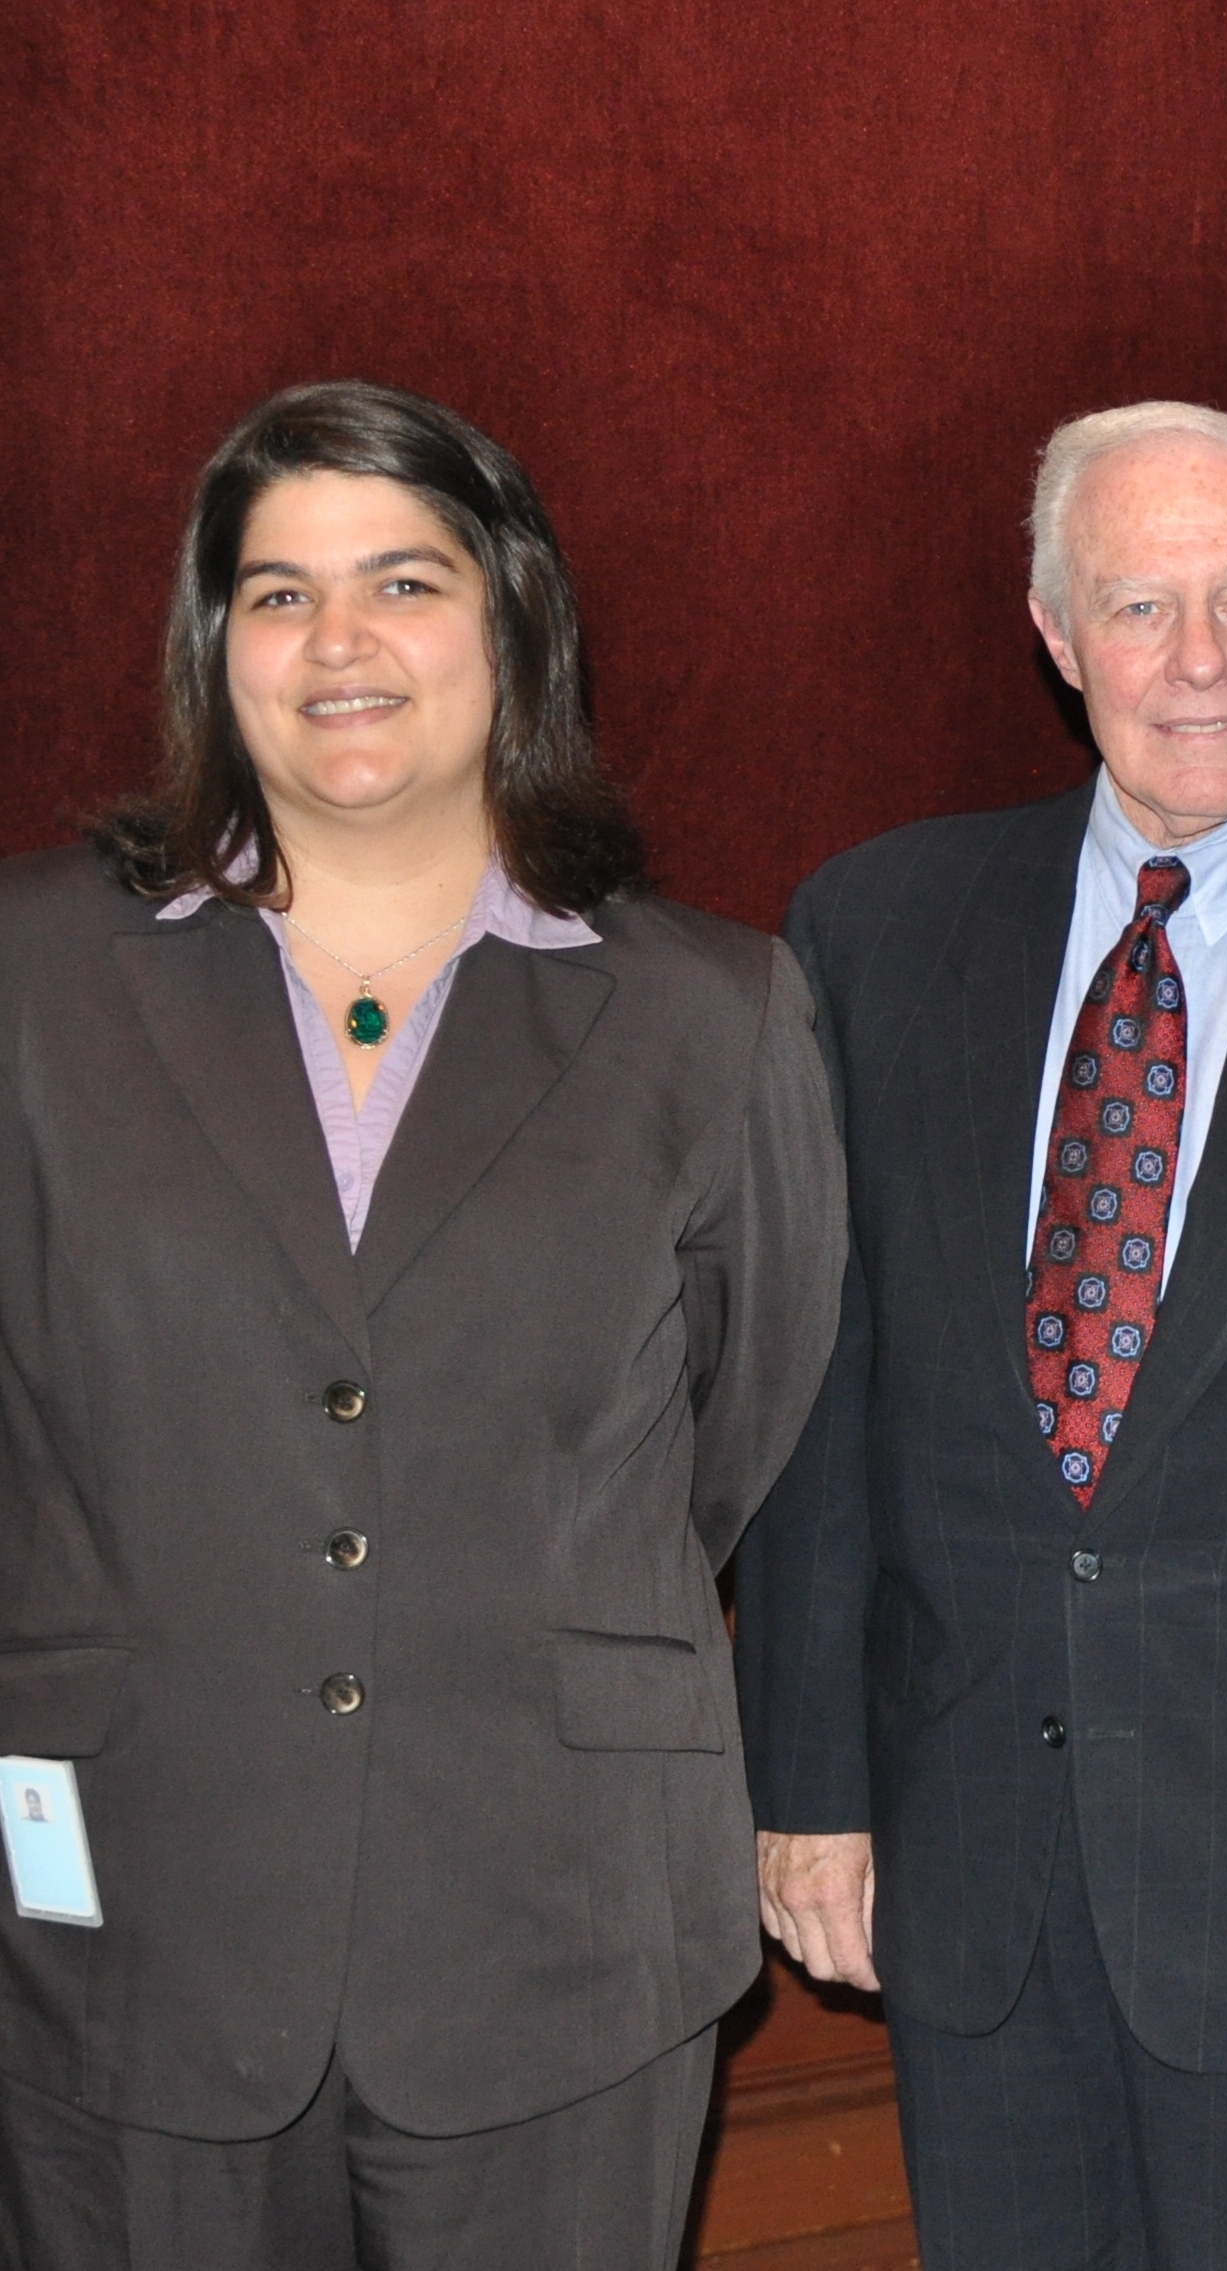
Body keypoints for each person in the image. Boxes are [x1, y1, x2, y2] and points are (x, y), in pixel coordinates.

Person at [0, 379, 846, 2271]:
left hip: (562, 1936)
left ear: (511, 621)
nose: (340, 643)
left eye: (404, 581)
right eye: (279, 593)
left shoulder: (711, 1013)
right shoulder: (30, 979)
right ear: (214, 644)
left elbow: (743, 1439)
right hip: (125, 1925)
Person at [735, 401, 1227, 2270]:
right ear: (1052, 629)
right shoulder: (873, 927)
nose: (1196, 663)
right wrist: (810, 1791)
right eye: (1138, 604)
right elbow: (820, 1405)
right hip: (966, 1873)